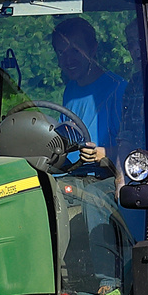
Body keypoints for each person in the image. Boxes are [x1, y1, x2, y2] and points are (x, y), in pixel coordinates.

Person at [52, 19, 125, 177]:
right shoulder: (70, 89)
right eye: (61, 53)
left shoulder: (118, 89)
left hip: (99, 181)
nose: (68, 60)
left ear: (93, 49)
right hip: (66, 177)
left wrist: (104, 153)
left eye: (75, 51)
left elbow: (136, 148)